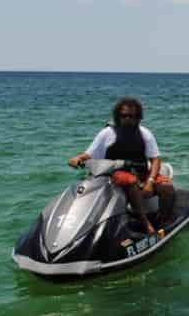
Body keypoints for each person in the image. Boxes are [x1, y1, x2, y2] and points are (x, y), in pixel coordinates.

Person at [68, 97, 174, 235]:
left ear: (139, 117)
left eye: (133, 116)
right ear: (118, 116)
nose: (128, 119)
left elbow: (155, 160)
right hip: (116, 175)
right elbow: (90, 153)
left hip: (141, 174)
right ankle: (145, 223)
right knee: (129, 181)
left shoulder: (144, 133)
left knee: (167, 186)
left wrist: (150, 181)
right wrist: (77, 158)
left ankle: (163, 222)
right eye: (124, 116)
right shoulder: (107, 133)